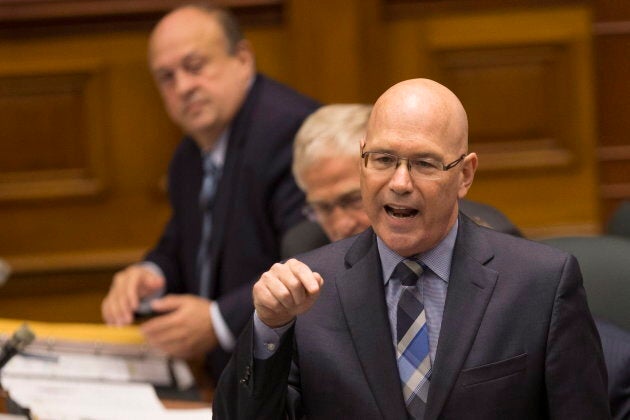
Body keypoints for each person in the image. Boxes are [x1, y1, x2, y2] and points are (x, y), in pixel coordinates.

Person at [213, 79, 610, 418]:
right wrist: (268, 328)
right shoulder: (310, 288)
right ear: (363, 162)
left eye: (424, 163)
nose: (400, 182)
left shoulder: (540, 284)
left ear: (465, 175)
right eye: (383, 159)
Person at [100, 4, 319, 384]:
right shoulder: (189, 154)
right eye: (167, 77)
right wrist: (148, 274)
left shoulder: (289, 132)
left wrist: (217, 320)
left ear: (243, 59)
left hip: (290, 378)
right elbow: (181, 243)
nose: (183, 87)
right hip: (226, 380)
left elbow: (308, 263)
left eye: (195, 66)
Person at [281, 104, 522, 259]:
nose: (341, 225)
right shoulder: (305, 250)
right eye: (322, 207)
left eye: (352, 200)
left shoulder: (491, 243)